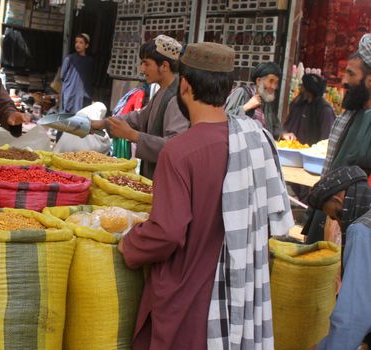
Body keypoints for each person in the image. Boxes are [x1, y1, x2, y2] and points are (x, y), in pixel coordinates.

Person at [118, 42, 293, 349]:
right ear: (227, 90)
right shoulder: (256, 140)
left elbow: (167, 234)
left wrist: (129, 242)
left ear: (184, 85)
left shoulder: (180, 152)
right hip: (239, 294)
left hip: (189, 303)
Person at [304, 33, 371, 244]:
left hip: (350, 225)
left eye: (351, 74)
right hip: (328, 215)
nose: (343, 81)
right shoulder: (350, 114)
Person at [91, 35, 189, 179]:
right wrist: (103, 123)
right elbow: (139, 117)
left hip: (167, 179)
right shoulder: (161, 91)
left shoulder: (176, 98)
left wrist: (132, 135)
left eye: (146, 64)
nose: (142, 69)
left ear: (165, 66)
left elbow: (174, 146)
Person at [307, 166, 371, 350]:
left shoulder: (362, 231)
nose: (337, 222)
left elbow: (353, 317)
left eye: (334, 215)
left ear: (339, 199)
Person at [225, 62, 294, 140]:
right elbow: (224, 119)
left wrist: (283, 134)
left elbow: (274, 126)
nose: (274, 87)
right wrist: (245, 107)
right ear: (258, 81)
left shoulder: (266, 100)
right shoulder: (242, 92)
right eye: (271, 81)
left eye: (276, 83)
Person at [284, 73, 336, 146]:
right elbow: (287, 125)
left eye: (303, 86)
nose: (300, 88)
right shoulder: (297, 103)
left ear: (308, 91)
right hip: (290, 149)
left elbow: (326, 141)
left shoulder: (324, 110)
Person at [60, 33, 94, 114]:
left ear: (86, 45)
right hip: (70, 93)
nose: (77, 45)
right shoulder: (69, 58)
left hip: (83, 95)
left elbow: (90, 78)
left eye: (81, 42)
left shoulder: (90, 61)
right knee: (68, 117)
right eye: (76, 42)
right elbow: (62, 75)